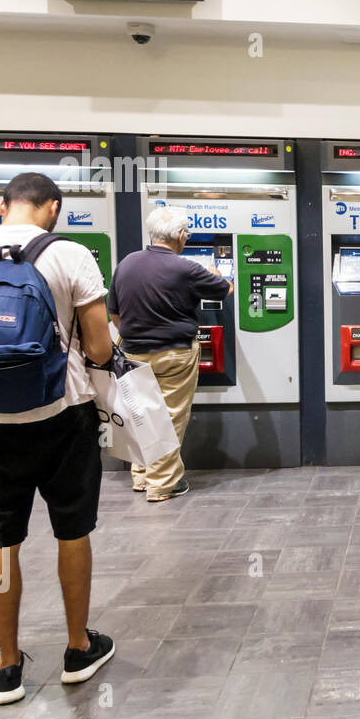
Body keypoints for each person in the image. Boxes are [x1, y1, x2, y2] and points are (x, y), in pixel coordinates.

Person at [0, 172, 117, 705]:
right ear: (52, 208)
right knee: (72, 532)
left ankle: (8, 666)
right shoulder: (72, 256)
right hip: (65, 418)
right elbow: (102, 350)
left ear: (2, 205)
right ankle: (79, 649)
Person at [107, 206, 232, 502]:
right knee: (171, 417)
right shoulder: (185, 268)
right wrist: (216, 273)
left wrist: (136, 333)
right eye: (186, 234)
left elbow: (113, 311)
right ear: (179, 236)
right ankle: (163, 484)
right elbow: (225, 289)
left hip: (133, 353)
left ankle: (141, 477)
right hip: (174, 354)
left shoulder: (127, 264)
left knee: (141, 415)